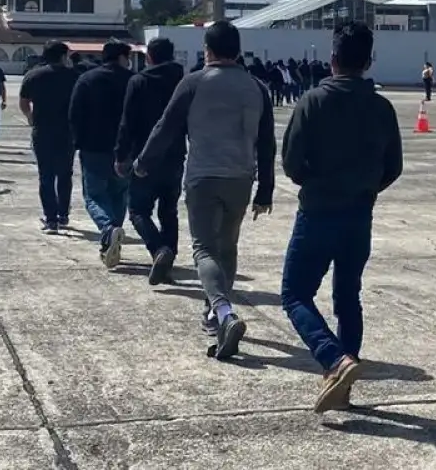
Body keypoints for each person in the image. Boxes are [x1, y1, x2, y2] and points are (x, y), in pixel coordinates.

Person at [280, 21, 403, 413]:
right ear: (369, 61)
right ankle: (341, 382)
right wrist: (366, 188)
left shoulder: (313, 101)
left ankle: (334, 359)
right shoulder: (382, 107)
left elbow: (292, 163)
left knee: (295, 293)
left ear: (332, 59)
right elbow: (394, 166)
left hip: (318, 210)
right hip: (359, 212)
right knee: (348, 295)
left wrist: (316, 182)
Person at [134, 21, 275, 359]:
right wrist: (265, 191)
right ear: (238, 50)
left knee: (203, 250)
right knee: (227, 246)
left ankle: (224, 313)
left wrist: (143, 162)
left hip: (203, 177)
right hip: (242, 179)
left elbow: (166, 126)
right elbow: (267, 144)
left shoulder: (194, 82)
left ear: (207, 50)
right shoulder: (258, 87)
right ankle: (213, 312)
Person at [115, 37, 185, 285]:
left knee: (138, 210)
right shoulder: (183, 80)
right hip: (175, 155)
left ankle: (158, 250)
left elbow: (127, 122)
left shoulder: (139, 81)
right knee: (169, 210)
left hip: (144, 157)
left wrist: (121, 155)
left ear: (149, 57)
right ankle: (169, 258)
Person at [69, 41, 134, 264]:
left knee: (94, 195)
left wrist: (78, 141)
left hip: (93, 146)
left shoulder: (87, 79)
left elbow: (74, 113)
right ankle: (112, 237)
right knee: (119, 194)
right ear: (123, 57)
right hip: (125, 148)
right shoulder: (132, 80)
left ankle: (108, 230)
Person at [20, 40, 80, 233]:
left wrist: (30, 117)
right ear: (63, 56)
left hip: (42, 130)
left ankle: (51, 218)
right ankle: (63, 214)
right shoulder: (75, 76)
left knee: (45, 175)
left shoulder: (34, 75)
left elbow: (24, 102)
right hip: (67, 131)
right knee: (65, 174)